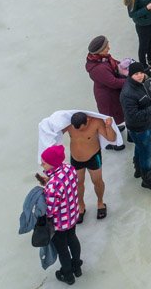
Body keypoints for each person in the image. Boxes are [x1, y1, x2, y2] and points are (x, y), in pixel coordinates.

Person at [38, 144, 82, 284]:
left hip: (59, 224)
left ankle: (67, 275)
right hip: (72, 215)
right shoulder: (69, 169)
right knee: (73, 239)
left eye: (44, 163)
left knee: (62, 250)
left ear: (52, 164)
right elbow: (68, 185)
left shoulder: (53, 185)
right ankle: (77, 267)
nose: (41, 164)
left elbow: (50, 210)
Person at [120, 62, 151, 190]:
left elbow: (149, 91)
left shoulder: (144, 81)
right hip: (139, 128)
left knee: (140, 147)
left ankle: (139, 169)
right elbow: (134, 115)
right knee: (146, 153)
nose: (139, 76)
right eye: (136, 74)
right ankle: (147, 179)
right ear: (130, 75)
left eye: (141, 73)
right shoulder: (128, 93)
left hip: (147, 123)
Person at [66, 111, 116, 222]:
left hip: (93, 157)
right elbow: (54, 132)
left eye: (81, 129)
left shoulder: (96, 122)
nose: (78, 131)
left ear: (87, 121)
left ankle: (100, 202)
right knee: (78, 183)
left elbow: (112, 138)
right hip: (75, 159)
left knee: (97, 181)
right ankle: (81, 205)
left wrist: (108, 126)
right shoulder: (69, 124)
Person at [85, 36, 126, 139]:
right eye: (106, 47)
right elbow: (113, 82)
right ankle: (111, 140)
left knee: (115, 115)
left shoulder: (102, 58)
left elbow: (115, 64)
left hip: (111, 93)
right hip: (107, 97)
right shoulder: (99, 69)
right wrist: (130, 81)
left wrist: (124, 65)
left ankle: (114, 128)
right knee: (110, 118)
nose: (109, 48)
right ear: (99, 51)